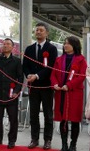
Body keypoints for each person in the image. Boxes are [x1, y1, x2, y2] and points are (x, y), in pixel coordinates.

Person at [22, 22, 57, 150]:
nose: (38, 32)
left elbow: (51, 67)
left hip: (47, 86)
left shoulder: (51, 49)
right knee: (33, 114)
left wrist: (37, 75)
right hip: (33, 87)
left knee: (48, 114)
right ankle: (34, 139)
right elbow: (24, 65)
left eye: (41, 30)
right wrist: (28, 75)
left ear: (46, 33)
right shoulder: (29, 49)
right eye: (37, 30)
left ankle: (47, 140)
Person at [50, 36, 87, 151]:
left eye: (68, 44)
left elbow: (81, 77)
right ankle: (64, 145)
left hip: (74, 93)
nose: (65, 45)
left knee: (74, 120)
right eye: (65, 43)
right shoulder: (59, 59)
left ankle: (73, 144)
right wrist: (55, 84)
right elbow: (53, 75)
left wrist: (69, 85)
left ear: (74, 45)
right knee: (63, 119)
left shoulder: (81, 60)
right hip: (61, 93)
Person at [0, 38, 23, 149]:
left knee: (13, 119)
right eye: (4, 44)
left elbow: (20, 78)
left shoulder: (17, 61)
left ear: (12, 47)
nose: (5, 46)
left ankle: (12, 140)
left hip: (12, 95)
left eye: (8, 44)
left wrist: (17, 91)